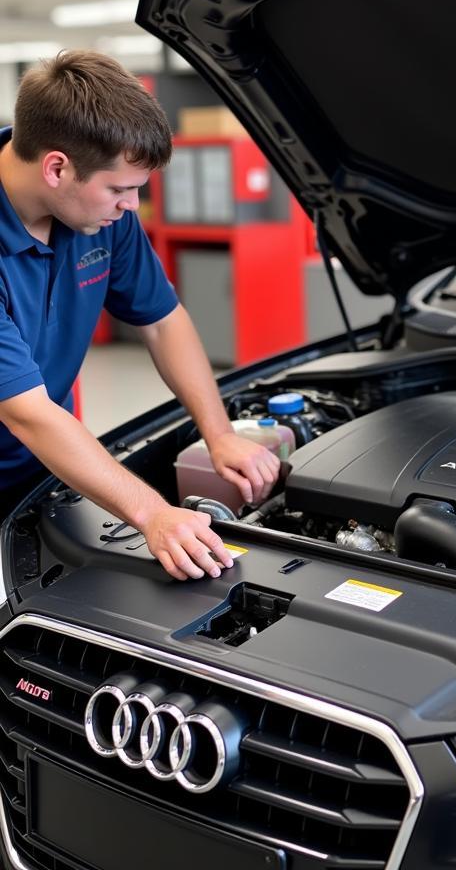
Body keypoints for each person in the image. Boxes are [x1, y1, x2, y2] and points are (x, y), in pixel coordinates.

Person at [0, 50, 280, 581]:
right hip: (28, 429)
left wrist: (218, 434)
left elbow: (161, 320)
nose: (132, 206)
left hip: (48, 462)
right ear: (56, 167)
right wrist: (152, 513)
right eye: (121, 189)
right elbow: (25, 412)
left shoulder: (98, 213)